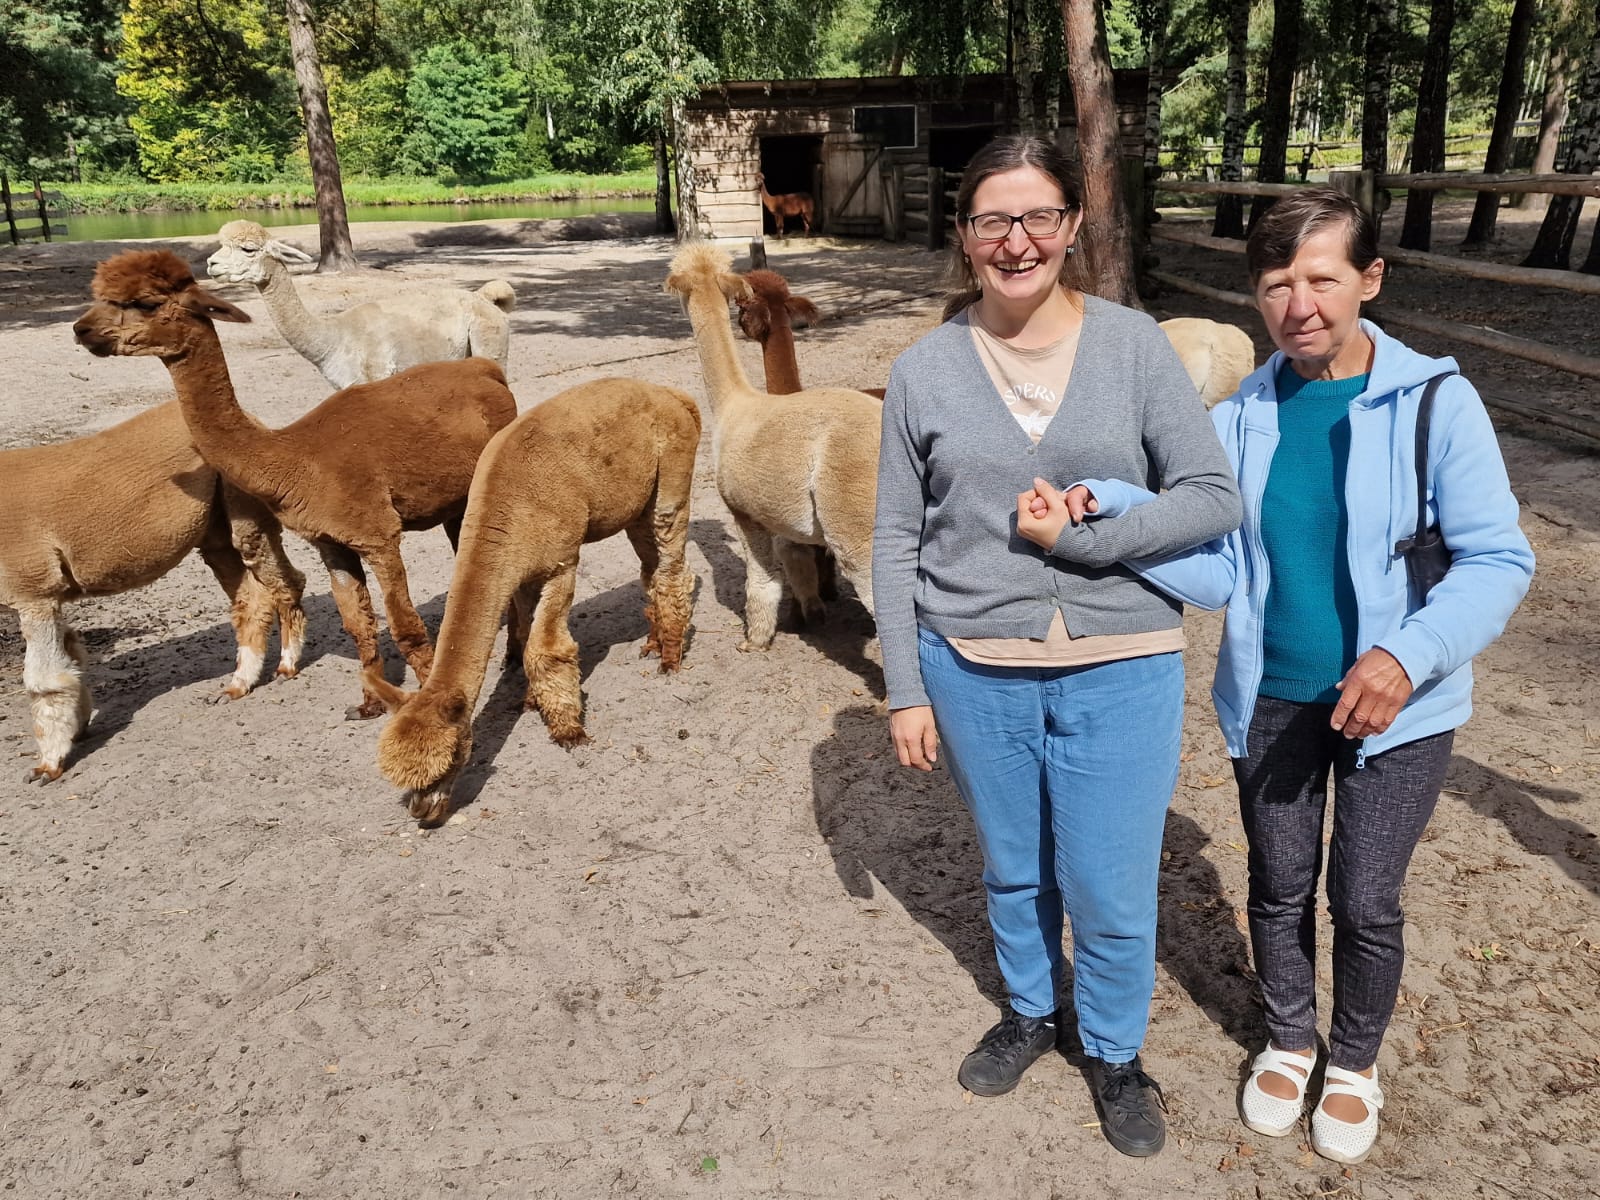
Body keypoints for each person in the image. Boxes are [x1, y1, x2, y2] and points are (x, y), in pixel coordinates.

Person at [1033, 186, 1534, 1164]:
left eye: (1321, 279)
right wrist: (1117, 512)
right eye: (1275, 284)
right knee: (1277, 883)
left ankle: (1354, 1064)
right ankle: (1291, 1038)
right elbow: (1221, 569)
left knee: (1366, 898)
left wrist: (1406, 655)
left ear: (1369, 279)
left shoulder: (1436, 402)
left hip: (1400, 707)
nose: (1298, 305)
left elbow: (1498, 560)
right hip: (1272, 697)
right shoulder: (1241, 417)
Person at [871, 134, 1242, 1159]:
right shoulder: (922, 370)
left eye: (1039, 217)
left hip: (1122, 663)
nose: (1017, 241)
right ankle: (1032, 1010)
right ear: (965, 236)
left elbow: (1212, 496)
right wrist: (904, 686)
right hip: (971, 666)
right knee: (1012, 868)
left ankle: (1114, 1052)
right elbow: (894, 538)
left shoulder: (1133, 347)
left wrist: (1082, 543)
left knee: (1110, 884)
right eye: (993, 220)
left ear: (1072, 225)